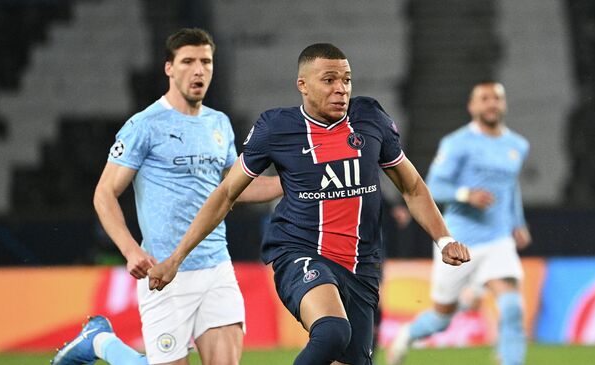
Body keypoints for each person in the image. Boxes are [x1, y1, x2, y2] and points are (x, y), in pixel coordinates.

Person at [147, 43, 470, 365]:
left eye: (346, 79)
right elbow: (226, 193)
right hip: (300, 253)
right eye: (329, 80)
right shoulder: (276, 128)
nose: (340, 89)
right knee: (332, 332)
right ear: (303, 85)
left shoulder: (370, 117)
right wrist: (176, 258)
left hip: (361, 265)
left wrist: (444, 239)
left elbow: (411, 186)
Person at [52, 28, 282, 365]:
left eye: (206, 61)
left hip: (217, 266)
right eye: (188, 61)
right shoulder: (144, 125)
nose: (198, 70)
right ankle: (100, 342)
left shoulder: (219, 124)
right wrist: (131, 251)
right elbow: (104, 193)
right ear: (169, 68)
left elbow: (236, 187)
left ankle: (99, 341)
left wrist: (290, 183)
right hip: (163, 272)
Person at [386, 81, 532, 365]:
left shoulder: (517, 145)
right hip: (459, 241)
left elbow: (510, 186)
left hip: (498, 239)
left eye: (497, 98)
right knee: (442, 318)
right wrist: (466, 194)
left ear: (504, 104)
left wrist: (518, 222)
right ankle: (405, 336)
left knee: (512, 307)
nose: (492, 103)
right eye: (485, 98)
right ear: (472, 106)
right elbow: (433, 187)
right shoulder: (456, 143)